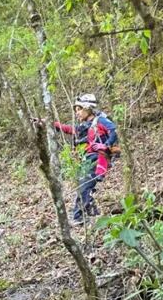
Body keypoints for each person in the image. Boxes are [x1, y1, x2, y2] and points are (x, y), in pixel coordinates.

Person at [37, 93, 119, 225]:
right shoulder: (85, 126)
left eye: (79, 109)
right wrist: (49, 124)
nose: (77, 113)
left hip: (97, 159)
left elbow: (113, 130)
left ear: (88, 108)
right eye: (76, 110)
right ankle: (91, 215)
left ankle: (78, 217)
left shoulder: (100, 121)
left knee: (84, 186)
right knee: (85, 187)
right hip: (86, 160)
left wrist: (106, 145)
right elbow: (70, 129)